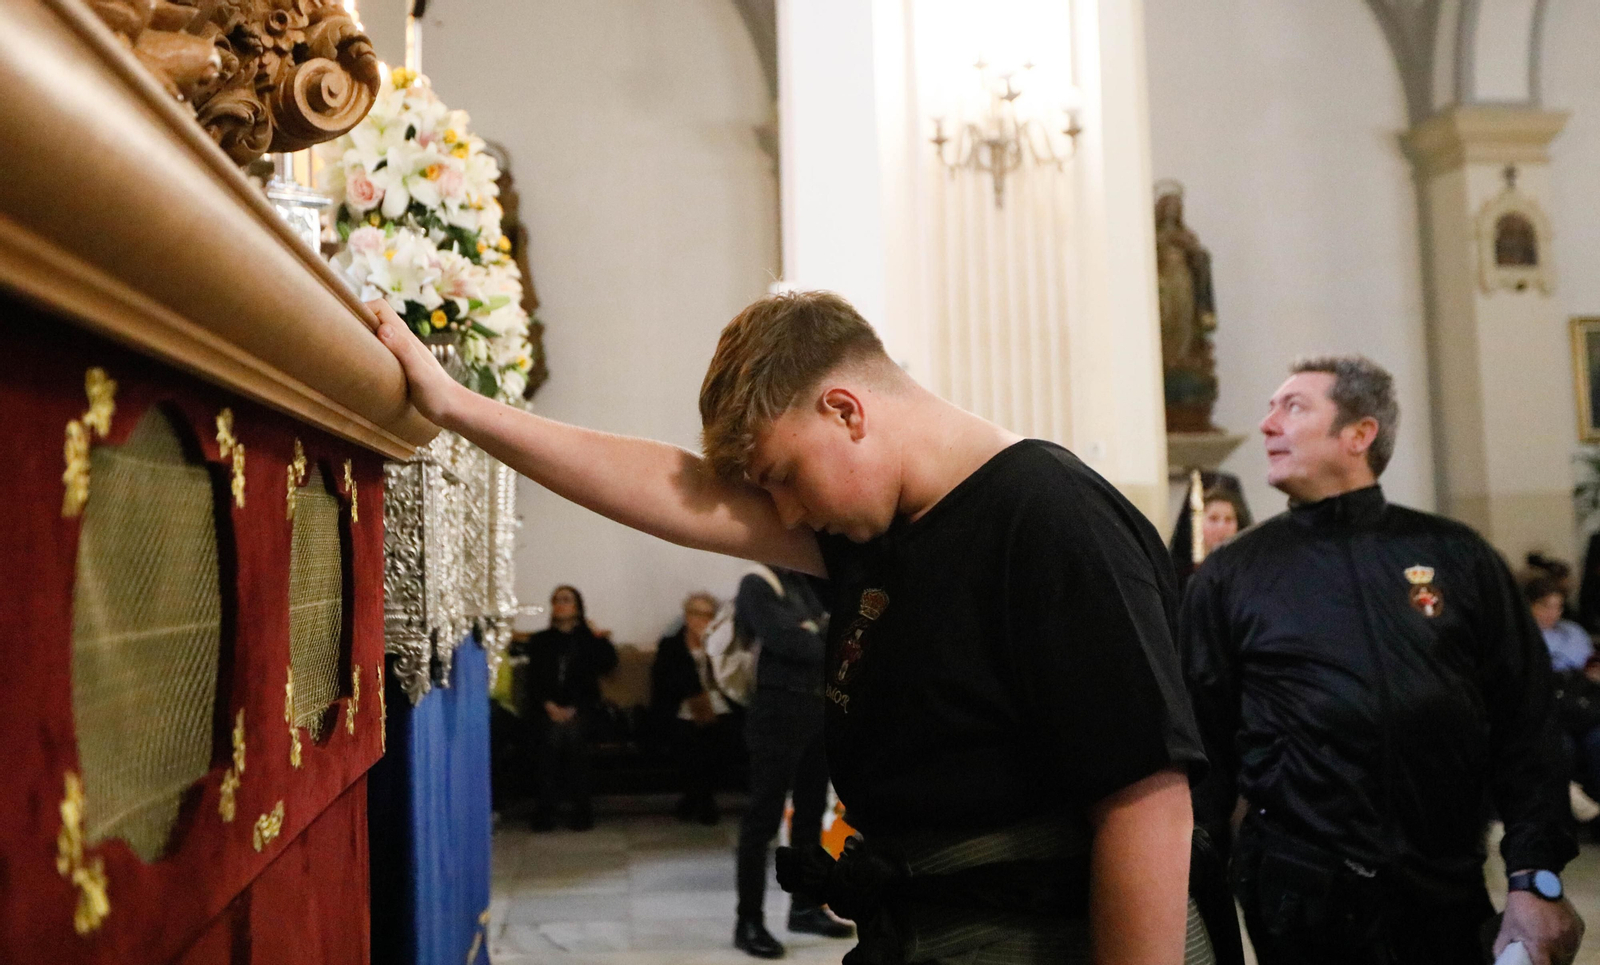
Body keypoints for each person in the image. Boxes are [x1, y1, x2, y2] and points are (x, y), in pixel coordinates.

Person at [372, 290, 1218, 964]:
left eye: (781, 477)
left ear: (845, 410)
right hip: (921, 926)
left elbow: (1146, 804)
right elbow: (674, 488)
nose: (781, 512)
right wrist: (455, 406)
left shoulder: (1050, 519)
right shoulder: (881, 531)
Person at [1181, 355, 1583, 965]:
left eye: (1292, 407)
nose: (1265, 425)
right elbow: (1201, 757)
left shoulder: (1456, 555)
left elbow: (1527, 726)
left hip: (1444, 888)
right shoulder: (1234, 573)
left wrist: (1537, 875)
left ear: (1359, 434)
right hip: (1301, 902)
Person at [729, 565, 851, 957]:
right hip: (776, 713)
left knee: (811, 813)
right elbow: (786, 640)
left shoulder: (806, 584)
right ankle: (748, 920)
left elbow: (841, 636)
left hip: (816, 710)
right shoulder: (758, 584)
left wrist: (815, 632)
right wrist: (816, 634)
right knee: (762, 820)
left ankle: (804, 907)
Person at [513, 585, 619, 831]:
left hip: (584, 709)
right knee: (553, 733)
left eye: (566, 600)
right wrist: (549, 705)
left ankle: (572, 809)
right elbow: (534, 683)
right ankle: (552, 808)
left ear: (578, 607)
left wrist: (597, 636)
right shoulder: (540, 641)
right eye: (556, 600)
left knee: (570, 733)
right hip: (545, 710)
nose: (560, 604)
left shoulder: (587, 641)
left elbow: (607, 664)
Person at [650, 591, 740, 825]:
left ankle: (695, 798)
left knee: (719, 735)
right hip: (682, 707)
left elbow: (731, 680)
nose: (701, 619)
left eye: (707, 615)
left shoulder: (723, 644)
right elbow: (664, 685)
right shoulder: (671, 646)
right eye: (695, 613)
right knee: (688, 738)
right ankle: (702, 799)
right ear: (686, 616)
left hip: (719, 706)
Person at [1526, 573, 1600, 811]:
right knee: (1561, 746)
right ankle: (1561, 811)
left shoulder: (1573, 632)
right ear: (1529, 606)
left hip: (1581, 706)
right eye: (1545, 607)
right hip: (1546, 710)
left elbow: (1589, 667)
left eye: (1558, 607)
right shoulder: (1520, 636)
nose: (1553, 613)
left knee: (1598, 741)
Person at [1168, 474, 1252, 593]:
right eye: (1213, 519)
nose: (1221, 528)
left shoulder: (1249, 573)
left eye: (1228, 519)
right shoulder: (1178, 578)